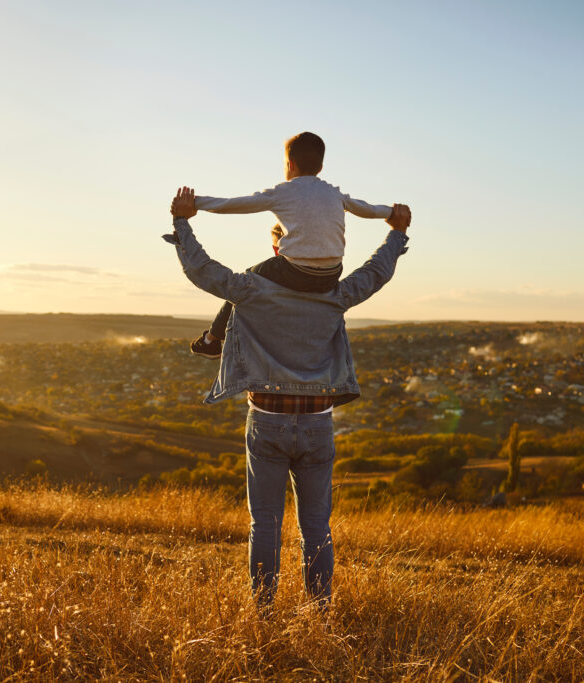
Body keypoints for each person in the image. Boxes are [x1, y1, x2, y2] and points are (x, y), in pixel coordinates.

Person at [165, 186, 411, 610]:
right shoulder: (337, 295)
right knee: (316, 525)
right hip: (319, 422)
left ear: (284, 245)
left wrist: (183, 222)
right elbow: (375, 273)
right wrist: (396, 232)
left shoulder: (252, 290)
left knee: (265, 524)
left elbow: (203, 270)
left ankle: (263, 610)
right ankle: (319, 609)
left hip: (267, 420)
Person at [183, 132, 408, 359]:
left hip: (295, 271)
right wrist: (391, 213)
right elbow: (367, 209)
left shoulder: (282, 192)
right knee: (260, 275)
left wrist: (195, 203)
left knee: (247, 280)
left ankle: (212, 340)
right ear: (320, 167)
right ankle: (212, 338)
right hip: (331, 275)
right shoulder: (335, 193)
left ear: (289, 165)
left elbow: (233, 204)